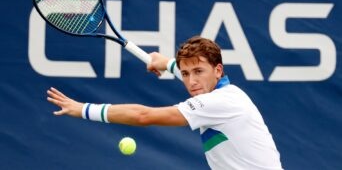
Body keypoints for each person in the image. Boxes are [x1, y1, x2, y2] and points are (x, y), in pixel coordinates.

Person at [47, 36, 283, 169]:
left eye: (199, 71)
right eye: (185, 73)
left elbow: (144, 116)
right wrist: (165, 63)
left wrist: (85, 110)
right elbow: (190, 71)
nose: (191, 81)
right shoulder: (218, 90)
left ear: (218, 70)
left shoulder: (221, 102)